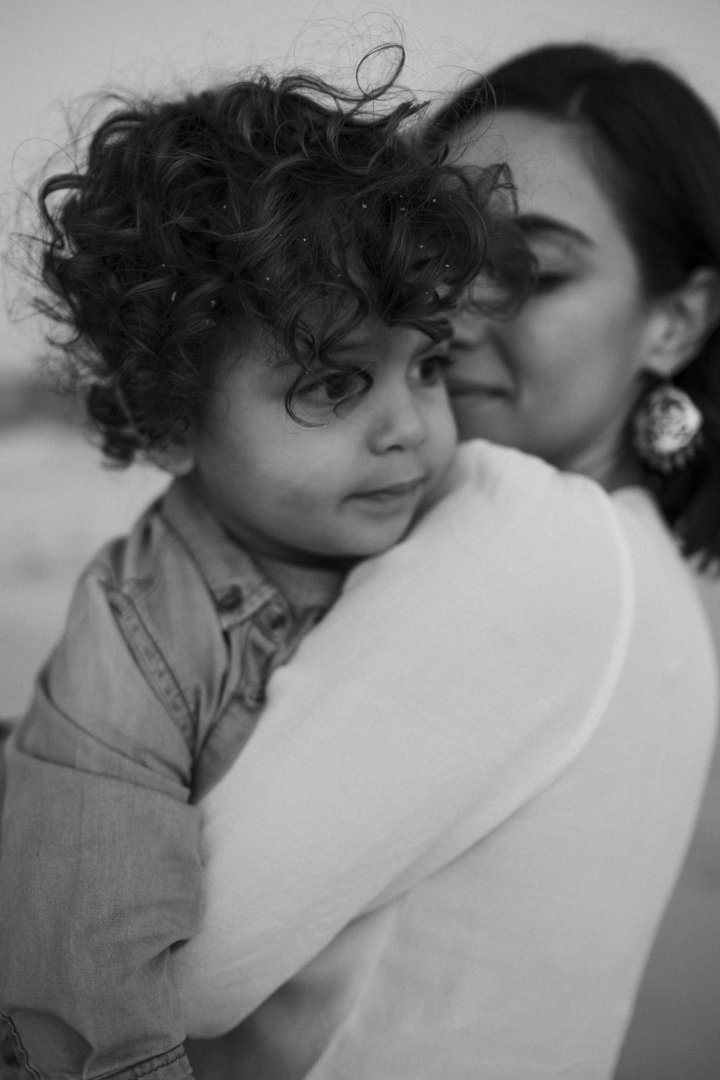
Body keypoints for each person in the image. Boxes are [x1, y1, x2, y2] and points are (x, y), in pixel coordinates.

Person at [170, 44, 720, 1080]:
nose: (452, 310)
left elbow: (165, 954)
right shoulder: (651, 586)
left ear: (677, 318)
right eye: (429, 253)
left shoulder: (535, 535)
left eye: (534, 271)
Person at [0, 55, 527, 1080]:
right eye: (334, 383)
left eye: (425, 366)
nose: (408, 428)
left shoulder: (451, 530)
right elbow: (86, 978)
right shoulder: (137, 636)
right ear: (172, 411)